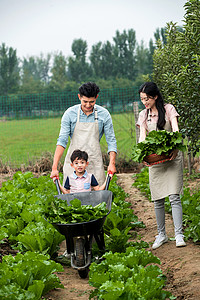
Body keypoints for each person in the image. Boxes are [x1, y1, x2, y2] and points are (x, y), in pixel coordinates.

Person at [136, 82, 186, 249]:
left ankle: (179, 234)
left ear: (155, 96)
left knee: (174, 196)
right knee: (158, 198)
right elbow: (143, 137)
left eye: (147, 99)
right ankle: (162, 234)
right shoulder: (144, 114)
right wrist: (144, 154)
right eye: (142, 99)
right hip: (155, 161)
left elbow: (176, 131)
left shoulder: (169, 109)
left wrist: (176, 149)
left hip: (172, 157)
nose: (145, 102)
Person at [50, 82, 117, 186]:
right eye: (85, 101)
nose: (88, 105)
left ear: (96, 97)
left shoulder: (104, 114)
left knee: (97, 198)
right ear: (79, 97)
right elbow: (62, 141)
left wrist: (112, 163)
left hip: (94, 161)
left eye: (92, 102)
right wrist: (54, 167)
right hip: (74, 164)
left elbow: (111, 140)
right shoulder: (69, 114)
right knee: (72, 197)